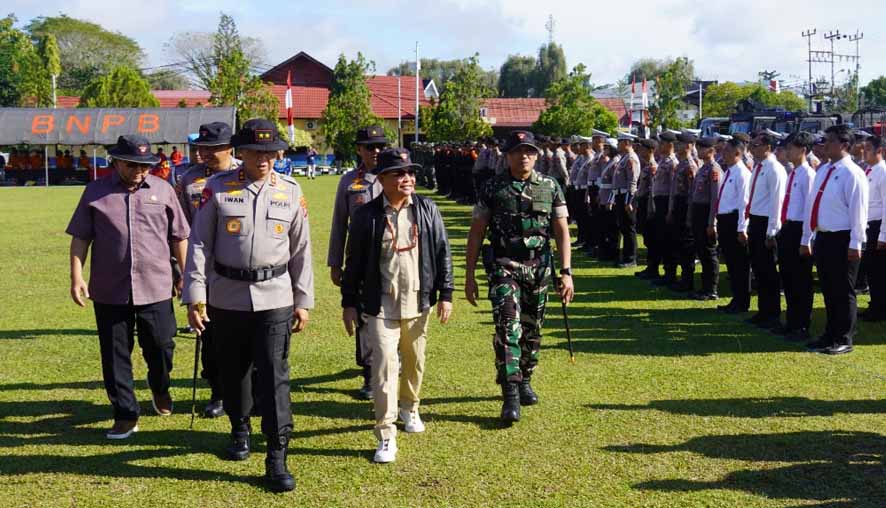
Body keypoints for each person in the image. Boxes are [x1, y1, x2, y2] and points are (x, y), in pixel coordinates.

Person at [183, 119, 313, 492]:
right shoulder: (218, 189)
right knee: (233, 372)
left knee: (274, 376)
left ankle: (277, 454)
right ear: (241, 153)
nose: (265, 159)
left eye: (271, 152)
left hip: (275, 296)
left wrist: (303, 300)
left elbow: (301, 250)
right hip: (226, 296)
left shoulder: (290, 191)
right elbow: (199, 244)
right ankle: (240, 429)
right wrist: (196, 294)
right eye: (257, 152)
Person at [66, 135, 189, 439]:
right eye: (133, 164)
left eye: (146, 165)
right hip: (110, 289)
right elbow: (81, 236)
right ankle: (125, 413)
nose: (139, 170)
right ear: (116, 161)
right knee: (114, 354)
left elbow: (179, 237)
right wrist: (76, 277)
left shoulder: (163, 190)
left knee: (161, 345)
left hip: (157, 286)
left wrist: (186, 275)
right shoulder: (95, 192)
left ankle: (160, 387)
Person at [341, 147, 454, 463]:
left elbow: (442, 252)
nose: (407, 179)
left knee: (415, 360)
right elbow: (353, 264)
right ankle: (386, 434)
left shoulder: (427, 209)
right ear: (383, 179)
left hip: (418, 302)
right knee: (384, 367)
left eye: (410, 173)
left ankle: (410, 408)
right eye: (399, 173)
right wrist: (349, 303)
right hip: (380, 306)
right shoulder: (366, 216)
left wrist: (446, 294)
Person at [464, 130, 575, 424]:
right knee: (507, 326)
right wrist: (469, 275)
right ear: (507, 155)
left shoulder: (550, 186)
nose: (523, 156)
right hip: (504, 266)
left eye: (528, 151)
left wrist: (566, 273)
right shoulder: (492, 188)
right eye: (516, 151)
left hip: (539, 267)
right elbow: (477, 232)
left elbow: (562, 231)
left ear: (536, 155)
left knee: (532, 329)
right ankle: (510, 393)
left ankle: (526, 377)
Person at [175, 121, 240, 418]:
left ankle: (245, 390)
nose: (206, 154)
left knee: (243, 335)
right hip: (205, 272)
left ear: (230, 148)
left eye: (213, 148)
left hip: (240, 270)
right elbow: (179, 229)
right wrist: (182, 271)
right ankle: (218, 392)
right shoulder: (189, 181)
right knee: (210, 336)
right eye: (202, 148)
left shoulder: (245, 173)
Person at [328, 125, 386, 400]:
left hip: (392, 259)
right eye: (370, 147)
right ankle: (369, 374)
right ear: (359, 150)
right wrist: (335, 262)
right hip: (360, 261)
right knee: (364, 316)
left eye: (380, 147)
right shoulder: (349, 182)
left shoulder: (396, 176)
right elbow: (339, 223)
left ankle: (389, 366)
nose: (376, 151)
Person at [801, 125, 869, 355]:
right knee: (829, 289)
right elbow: (813, 204)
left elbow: (858, 212)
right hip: (824, 236)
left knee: (843, 290)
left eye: (829, 141)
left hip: (843, 238)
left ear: (844, 145)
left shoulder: (853, 173)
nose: (824, 144)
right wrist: (808, 236)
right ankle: (830, 333)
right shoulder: (823, 170)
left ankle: (844, 337)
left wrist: (855, 244)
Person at [775, 132, 816, 340]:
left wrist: (806, 239)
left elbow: (810, 210)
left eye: (791, 148)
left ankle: (801, 325)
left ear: (803, 150)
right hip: (789, 227)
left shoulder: (808, 175)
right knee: (789, 277)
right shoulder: (793, 173)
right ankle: (791, 321)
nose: (787, 151)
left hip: (800, 229)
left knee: (801, 280)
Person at [745, 131, 787, 329]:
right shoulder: (758, 167)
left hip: (766, 223)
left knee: (768, 270)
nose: (752, 149)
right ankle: (763, 311)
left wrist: (772, 231)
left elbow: (776, 202)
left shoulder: (774, 169)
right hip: (755, 220)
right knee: (759, 269)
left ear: (767, 147)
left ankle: (772, 313)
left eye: (756, 145)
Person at [715, 137, 753, 313]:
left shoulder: (742, 173)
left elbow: (743, 204)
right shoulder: (729, 171)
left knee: (739, 264)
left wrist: (741, 228)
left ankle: (742, 301)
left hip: (734, 221)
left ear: (738, 153)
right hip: (725, 221)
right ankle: (736, 298)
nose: (724, 154)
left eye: (727, 151)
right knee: (731, 262)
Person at [688, 137, 723, 300]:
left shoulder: (714, 169)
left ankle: (712, 289)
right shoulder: (703, 168)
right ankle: (705, 287)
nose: (698, 151)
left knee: (709, 252)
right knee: (701, 251)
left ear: (711, 151)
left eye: (702, 149)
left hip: (706, 213)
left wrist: (712, 223)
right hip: (698, 212)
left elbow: (715, 199)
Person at [665, 133, 698, 292]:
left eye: (680, 144)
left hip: (685, 205)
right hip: (678, 205)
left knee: (686, 245)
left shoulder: (690, 165)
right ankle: (681, 278)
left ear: (689, 146)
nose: (676, 146)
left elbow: (692, 193)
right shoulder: (680, 164)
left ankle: (687, 280)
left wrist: (689, 215)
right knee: (677, 243)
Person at [859, 134, 886, 321]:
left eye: (868, 148)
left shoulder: (882, 171)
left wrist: (883, 236)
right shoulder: (869, 170)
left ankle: (880, 308)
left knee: (879, 271)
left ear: (879, 150)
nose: (864, 151)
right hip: (869, 226)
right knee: (871, 269)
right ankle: (875, 304)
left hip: (878, 226)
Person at [651, 132, 680, 286]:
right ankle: (666, 271)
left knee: (668, 240)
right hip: (659, 202)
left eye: (662, 144)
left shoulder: (672, 163)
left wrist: (670, 210)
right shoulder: (663, 161)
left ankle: (671, 273)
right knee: (661, 238)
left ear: (670, 145)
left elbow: (672, 190)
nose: (659, 146)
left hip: (666, 203)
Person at [612, 132, 640, 268]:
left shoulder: (631, 159)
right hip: (620, 195)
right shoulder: (624, 158)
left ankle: (631, 258)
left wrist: (628, 200)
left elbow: (632, 181)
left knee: (629, 229)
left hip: (627, 196)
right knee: (624, 228)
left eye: (620, 142)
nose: (618, 145)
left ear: (627, 143)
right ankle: (626, 256)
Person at [634, 137, 658, 279]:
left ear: (650, 150)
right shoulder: (647, 166)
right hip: (643, 203)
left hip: (649, 205)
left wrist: (650, 209)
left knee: (651, 238)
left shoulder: (653, 167)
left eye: (643, 148)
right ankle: (650, 267)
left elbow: (652, 191)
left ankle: (653, 268)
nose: (640, 151)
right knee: (647, 238)